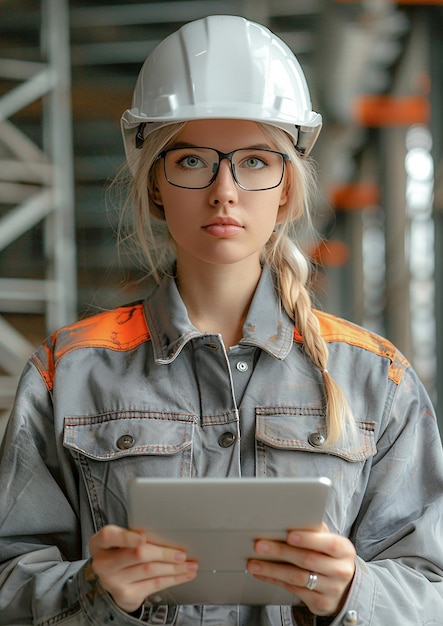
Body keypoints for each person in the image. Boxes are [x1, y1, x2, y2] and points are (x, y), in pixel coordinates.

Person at [0, 14, 442, 626]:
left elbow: (432, 588)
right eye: (191, 162)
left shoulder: (376, 378)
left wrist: (352, 594)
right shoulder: (67, 373)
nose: (224, 190)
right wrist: (93, 588)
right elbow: (7, 577)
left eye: (255, 161)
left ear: (287, 187)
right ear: (156, 183)